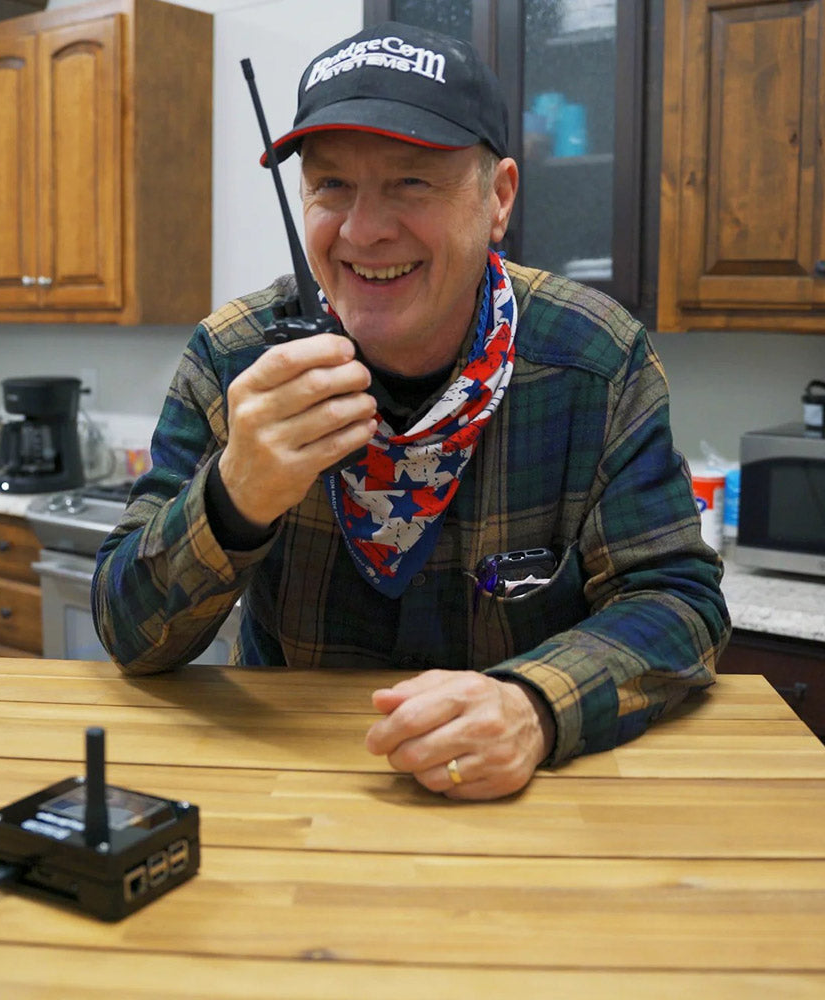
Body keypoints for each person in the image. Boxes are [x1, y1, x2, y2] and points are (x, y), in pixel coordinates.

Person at [92, 22, 730, 801]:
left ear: (497, 198)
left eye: (411, 183)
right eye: (331, 187)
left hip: (524, 814)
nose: (364, 231)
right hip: (282, 799)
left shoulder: (594, 361)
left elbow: (677, 602)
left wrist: (536, 705)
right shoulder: (235, 359)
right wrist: (234, 497)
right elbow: (129, 633)